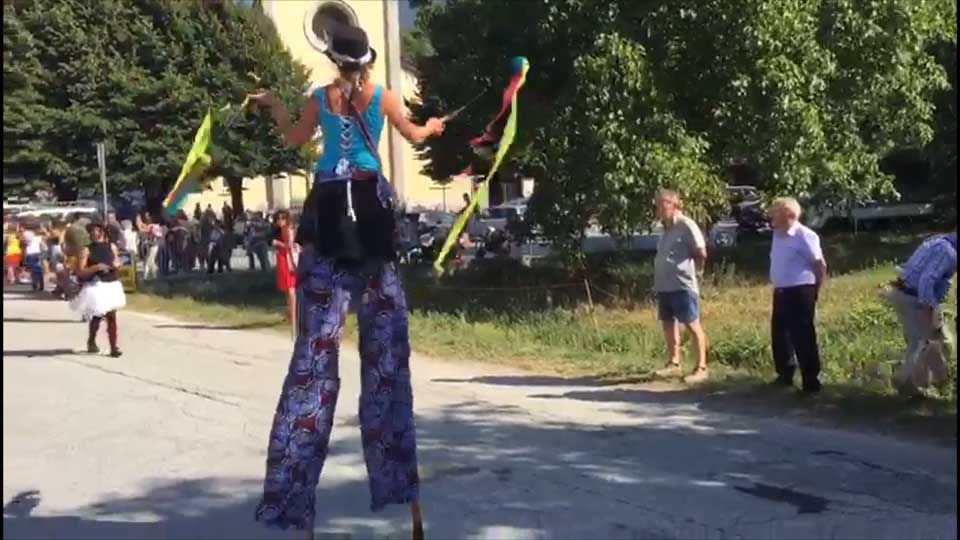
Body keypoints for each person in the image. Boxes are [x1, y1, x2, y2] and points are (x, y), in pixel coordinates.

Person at [249, 23, 444, 538]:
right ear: (368, 61)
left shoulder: (319, 98)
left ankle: (293, 502)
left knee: (312, 363)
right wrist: (432, 128)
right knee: (386, 364)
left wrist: (275, 105)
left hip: (327, 223)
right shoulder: (382, 97)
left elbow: (293, 138)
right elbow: (414, 134)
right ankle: (401, 490)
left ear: (335, 60)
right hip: (371, 223)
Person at [883, 232, 957, 396]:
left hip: (910, 294)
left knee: (940, 340)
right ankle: (906, 382)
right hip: (913, 299)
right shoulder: (948, 252)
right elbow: (926, 281)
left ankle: (936, 382)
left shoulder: (939, 242)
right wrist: (928, 309)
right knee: (921, 344)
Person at [768, 197, 827, 394]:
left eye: (776, 211)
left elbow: (819, 265)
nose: (771, 215)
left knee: (803, 335)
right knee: (780, 334)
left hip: (801, 290)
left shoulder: (805, 235)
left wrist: (815, 290)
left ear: (789, 215)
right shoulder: (777, 234)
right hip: (781, 290)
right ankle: (785, 374)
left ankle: (811, 381)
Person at [652, 189, 710, 384]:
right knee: (668, 324)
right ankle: (673, 363)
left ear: (674, 204)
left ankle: (701, 367)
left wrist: (698, 273)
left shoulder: (686, 225)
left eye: (662, 204)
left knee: (692, 324)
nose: (659, 208)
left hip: (682, 284)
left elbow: (701, 252)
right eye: (657, 205)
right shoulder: (665, 229)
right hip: (664, 285)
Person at [70, 222, 126, 357]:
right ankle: (91, 341)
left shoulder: (111, 246)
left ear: (102, 232)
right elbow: (80, 272)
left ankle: (113, 347)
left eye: (97, 230)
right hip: (96, 284)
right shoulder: (86, 250)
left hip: (111, 283)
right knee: (97, 315)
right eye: (92, 231)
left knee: (111, 315)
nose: (95, 233)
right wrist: (95, 267)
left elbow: (117, 261)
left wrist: (117, 265)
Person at [271, 210, 297, 322]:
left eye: (283, 218)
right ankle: (290, 313)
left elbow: (290, 246)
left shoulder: (288, 229)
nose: (280, 220)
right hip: (282, 259)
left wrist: (278, 243)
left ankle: (294, 315)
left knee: (290, 288)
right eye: (278, 218)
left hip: (288, 260)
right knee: (286, 288)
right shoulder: (280, 230)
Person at [21, 225, 46, 292]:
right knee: (39, 270)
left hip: (31, 255)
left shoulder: (28, 237)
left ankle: (35, 285)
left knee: (34, 271)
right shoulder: (38, 238)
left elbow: (23, 244)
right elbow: (44, 247)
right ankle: (41, 285)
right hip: (37, 254)